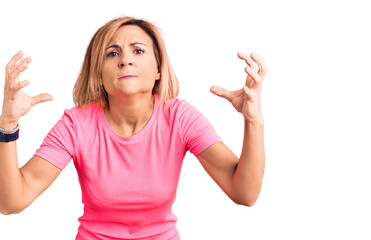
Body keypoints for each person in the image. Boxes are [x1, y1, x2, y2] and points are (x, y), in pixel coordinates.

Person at [0, 16, 267, 240]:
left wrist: (253, 120)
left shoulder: (180, 117)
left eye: (138, 51)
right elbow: (12, 202)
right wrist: (7, 125)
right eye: (112, 53)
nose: (125, 60)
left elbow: (244, 193)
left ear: (158, 69)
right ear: (99, 74)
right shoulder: (76, 124)